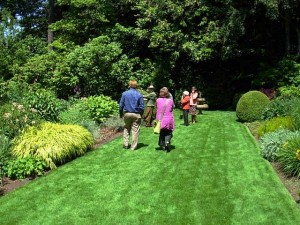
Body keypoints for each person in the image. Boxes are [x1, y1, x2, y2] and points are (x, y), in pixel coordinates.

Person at [119, 80, 145, 150]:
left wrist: (121, 114)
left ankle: (126, 144)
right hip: (136, 114)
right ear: (136, 86)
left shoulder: (124, 94)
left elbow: (121, 105)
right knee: (135, 130)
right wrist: (140, 115)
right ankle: (133, 147)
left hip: (127, 114)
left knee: (126, 128)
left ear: (129, 85)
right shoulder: (139, 94)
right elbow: (142, 107)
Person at [156, 87, 175, 152]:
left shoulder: (158, 100)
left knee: (162, 132)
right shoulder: (170, 101)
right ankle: (167, 142)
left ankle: (162, 145)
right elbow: (172, 108)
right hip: (168, 118)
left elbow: (157, 107)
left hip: (160, 118)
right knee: (169, 132)